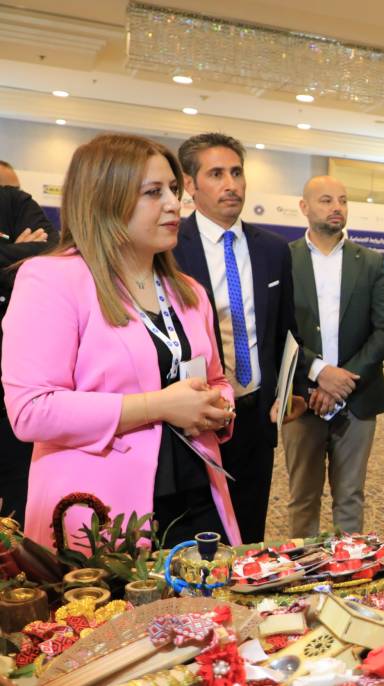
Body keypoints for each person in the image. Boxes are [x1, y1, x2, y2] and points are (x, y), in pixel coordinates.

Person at [1, 133, 239, 549]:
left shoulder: (188, 291)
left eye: (173, 189)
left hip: (198, 500)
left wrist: (218, 407)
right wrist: (159, 406)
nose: (174, 204)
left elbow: (216, 380)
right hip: (99, 515)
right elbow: (32, 410)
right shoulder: (53, 279)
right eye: (153, 192)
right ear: (105, 198)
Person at [172, 132, 301, 544]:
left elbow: (285, 330)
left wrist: (288, 392)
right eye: (216, 174)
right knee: (200, 536)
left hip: (256, 414)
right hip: (197, 415)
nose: (231, 184)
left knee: (250, 530)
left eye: (236, 172)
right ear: (190, 184)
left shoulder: (274, 250)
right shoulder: (171, 248)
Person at [283, 175, 384, 536]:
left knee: (350, 498)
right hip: (302, 398)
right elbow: (278, 331)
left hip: (358, 399)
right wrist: (318, 372)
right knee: (302, 499)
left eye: (342, 200)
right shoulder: (284, 259)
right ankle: (303, 567)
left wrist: (342, 382)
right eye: (326, 200)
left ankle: (350, 566)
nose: (337, 208)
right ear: (304, 207)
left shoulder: (370, 262)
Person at [0, 183, 58, 524]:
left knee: (18, 526)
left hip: (15, 407)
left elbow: (51, 250)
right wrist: (18, 255)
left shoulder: (12, 200)